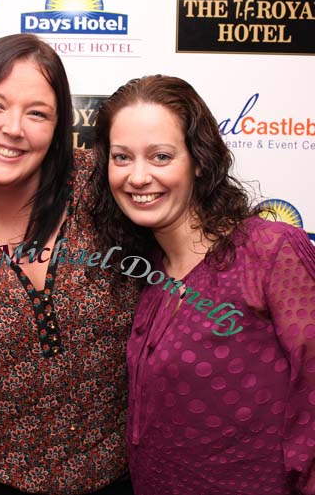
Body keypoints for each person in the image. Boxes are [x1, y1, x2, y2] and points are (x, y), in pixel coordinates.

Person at [0, 33, 138, 494]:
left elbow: (185, 214)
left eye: (37, 112)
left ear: (60, 125)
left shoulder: (102, 183)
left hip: (123, 477)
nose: (14, 128)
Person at [91, 74, 315, 495]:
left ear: (198, 159)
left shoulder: (270, 251)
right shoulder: (145, 269)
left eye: (160, 156)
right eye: (122, 157)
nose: (137, 177)